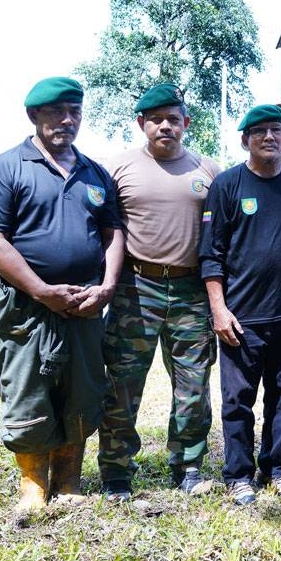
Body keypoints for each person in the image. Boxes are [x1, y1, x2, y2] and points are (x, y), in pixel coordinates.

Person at [0, 77, 124, 521]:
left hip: (85, 307)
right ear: (34, 115)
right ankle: (33, 484)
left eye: (75, 111)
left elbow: (113, 233)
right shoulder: (8, 167)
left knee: (82, 392)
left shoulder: (95, 172)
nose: (67, 120)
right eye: (56, 112)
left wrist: (106, 287)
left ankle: (69, 481)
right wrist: (41, 290)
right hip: (26, 308)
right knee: (28, 392)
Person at [98, 82, 222, 500]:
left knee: (194, 385)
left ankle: (187, 466)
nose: (165, 126)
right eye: (156, 120)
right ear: (141, 124)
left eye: (173, 119)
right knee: (122, 383)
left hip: (191, 290)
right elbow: (101, 229)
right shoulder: (117, 168)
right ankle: (116, 471)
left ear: (187, 122)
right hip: (136, 288)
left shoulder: (209, 170)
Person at [199, 104, 281, 506]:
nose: (269, 137)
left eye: (276, 130)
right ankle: (238, 474)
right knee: (238, 400)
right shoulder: (227, 185)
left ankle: (275, 467)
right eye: (259, 131)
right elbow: (210, 254)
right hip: (240, 317)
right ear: (245, 141)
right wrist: (219, 309)